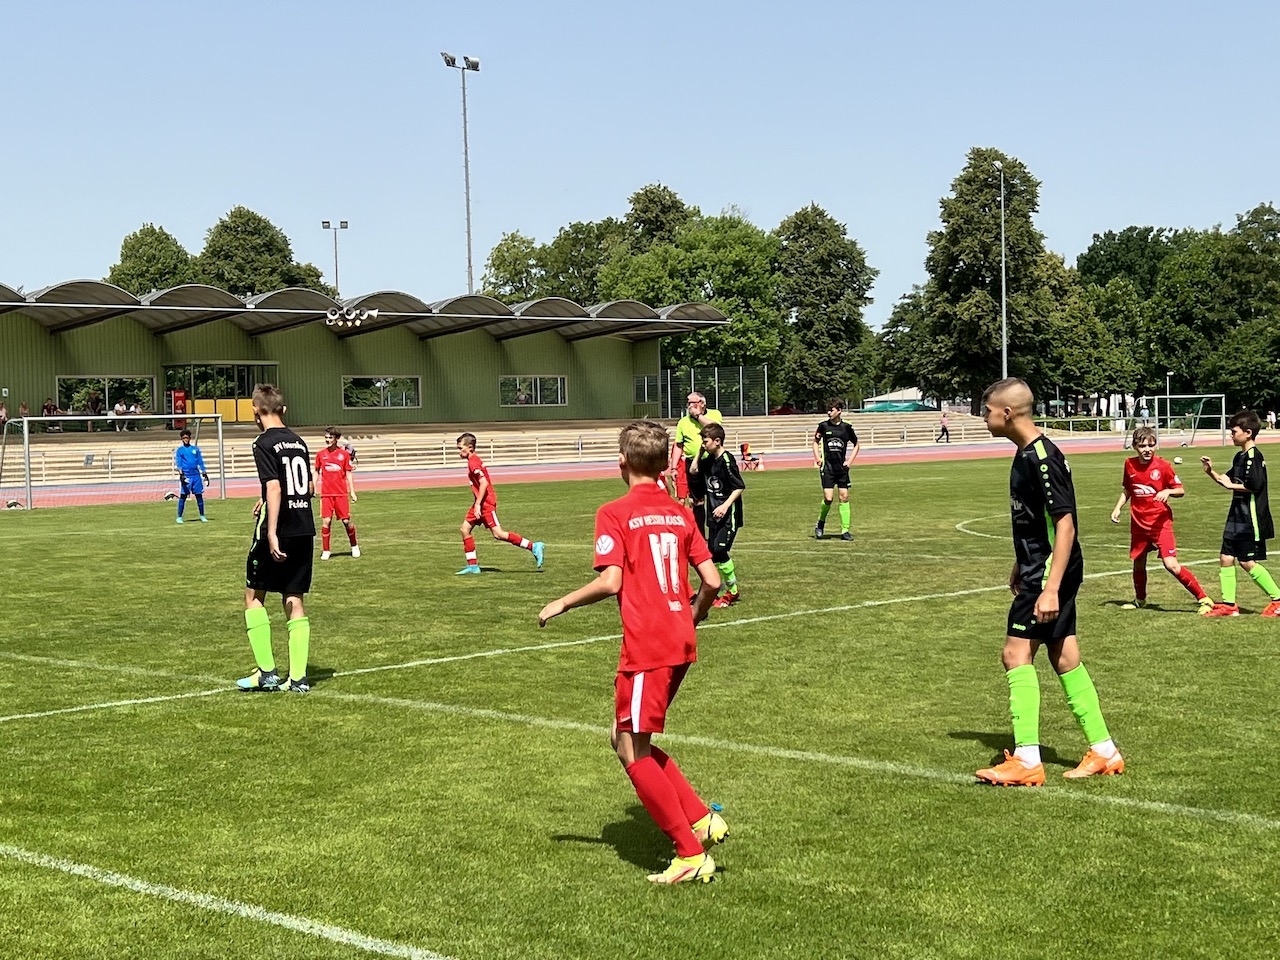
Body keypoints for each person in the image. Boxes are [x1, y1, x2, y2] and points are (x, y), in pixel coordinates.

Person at [538, 419, 727, 884]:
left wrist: (562, 602)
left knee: (630, 748)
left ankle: (689, 853)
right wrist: (692, 616)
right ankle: (701, 819)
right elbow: (712, 581)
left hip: (648, 643)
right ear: (664, 465)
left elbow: (611, 582)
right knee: (622, 736)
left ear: (621, 462)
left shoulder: (614, 512)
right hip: (680, 638)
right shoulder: (680, 513)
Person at [975, 377, 1124, 786]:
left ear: (1007, 413)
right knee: (1065, 657)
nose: (985, 418)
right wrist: (1019, 562)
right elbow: (1035, 521)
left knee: (1014, 654)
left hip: (1048, 575)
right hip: (1039, 567)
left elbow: (1065, 524)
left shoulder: (1042, 458)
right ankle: (1105, 751)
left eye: (988, 411)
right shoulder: (1026, 453)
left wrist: (1050, 587)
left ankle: (1026, 759)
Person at [236, 384, 315, 694]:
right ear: (284, 409)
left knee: (253, 595)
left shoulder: (263, 443)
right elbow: (308, 487)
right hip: (303, 527)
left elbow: (275, 486)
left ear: (256, 411)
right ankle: (298, 679)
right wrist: (267, 497)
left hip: (279, 528)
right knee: (294, 598)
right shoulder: (299, 442)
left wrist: (270, 531)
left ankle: (267, 673)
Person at [1109, 426, 1212, 614]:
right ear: (1135, 446)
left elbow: (1180, 490)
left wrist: (1168, 491)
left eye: (1151, 445)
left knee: (1171, 564)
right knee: (1138, 562)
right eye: (1142, 446)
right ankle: (1140, 600)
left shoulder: (1163, 466)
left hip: (1160, 523)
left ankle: (1204, 599)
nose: (1147, 449)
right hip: (1139, 523)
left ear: (1156, 445)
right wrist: (1117, 508)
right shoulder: (1129, 464)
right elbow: (1128, 489)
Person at [1200, 411, 1280, 617]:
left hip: (1250, 516)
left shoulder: (1254, 456)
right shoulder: (1240, 456)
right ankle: (1229, 605)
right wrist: (1210, 472)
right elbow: (1226, 480)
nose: (1231, 435)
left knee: (1246, 561)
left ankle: (1278, 599)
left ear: (1248, 433)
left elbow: (1254, 485)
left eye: (1234, 431)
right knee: (1226, 557)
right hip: (1236, 515)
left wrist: (1231, 486)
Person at [455, 432, 544, 574]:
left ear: (470, 447)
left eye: (461, 448)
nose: (459, 452)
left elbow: (484, 483)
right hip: (479, 503)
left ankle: (533, 546)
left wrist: (478, 504)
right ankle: (473, 566)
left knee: (498, 534)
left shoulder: (473, 462)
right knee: (465, 529)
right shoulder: (473, 461)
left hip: (485, 504)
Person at [691, 423, 745, 607]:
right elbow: (693, 470)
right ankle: (720, 590)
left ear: (717, 441)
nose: (703, 444)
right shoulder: (709, 460)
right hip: (713, 514)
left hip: (728, 514)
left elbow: (739, 487)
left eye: (705, 441)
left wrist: (725, 505)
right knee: (713, 552)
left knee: (720, 550)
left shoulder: (727, 460)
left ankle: (732, 590)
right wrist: (699, 452)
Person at [668, 392, 723, 532]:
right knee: (697, 501)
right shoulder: (683, 422)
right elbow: (679, 445)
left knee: (715, 497)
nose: (690, 406)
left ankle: (716, 533)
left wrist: (698, 416)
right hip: (693, 463)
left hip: (712, 461)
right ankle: (700, 534)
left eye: (693, 403)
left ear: (702, 403)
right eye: (688, 403)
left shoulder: (714, 414)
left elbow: (716, 429)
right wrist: (673, 468)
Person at [812, 400, 859, 540]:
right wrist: (818, 457)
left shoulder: (847, 427)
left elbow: (857, 444)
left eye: (831, 410)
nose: (828, 413)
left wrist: (849, 461)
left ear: (839, 411)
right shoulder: (823, 426)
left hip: (842, 469)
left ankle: (845, 530)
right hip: (828, 467)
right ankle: (820, 523)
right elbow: (815, 442)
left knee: (844, 497)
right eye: (827, 410)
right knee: (828, 498)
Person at [313, 427, 360, 560]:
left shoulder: (344, 454)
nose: (327, 440)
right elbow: (316, 471)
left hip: (340, 493)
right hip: (326, 494)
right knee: (326, 521)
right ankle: (326, 550)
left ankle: (354, 546)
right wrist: (313, 487)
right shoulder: (320, 454)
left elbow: (348, 473)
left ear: (336, 439)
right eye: (326, 437)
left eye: (330, 437)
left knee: (346, 521)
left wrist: (352, 491)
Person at [173, 428, 210, 524]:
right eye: (184, 438)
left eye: (187, 437)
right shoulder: (180, 450)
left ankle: (202, 515)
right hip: (186, 475)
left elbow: (200, 461)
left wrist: (204, 473)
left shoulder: (195, 449)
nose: (185, 439)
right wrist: (181, 474)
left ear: (190, 438)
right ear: (181, 439)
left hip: (196, 475)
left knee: (199, 495)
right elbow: (179, 462)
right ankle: (179, 517)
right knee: (183, 496)